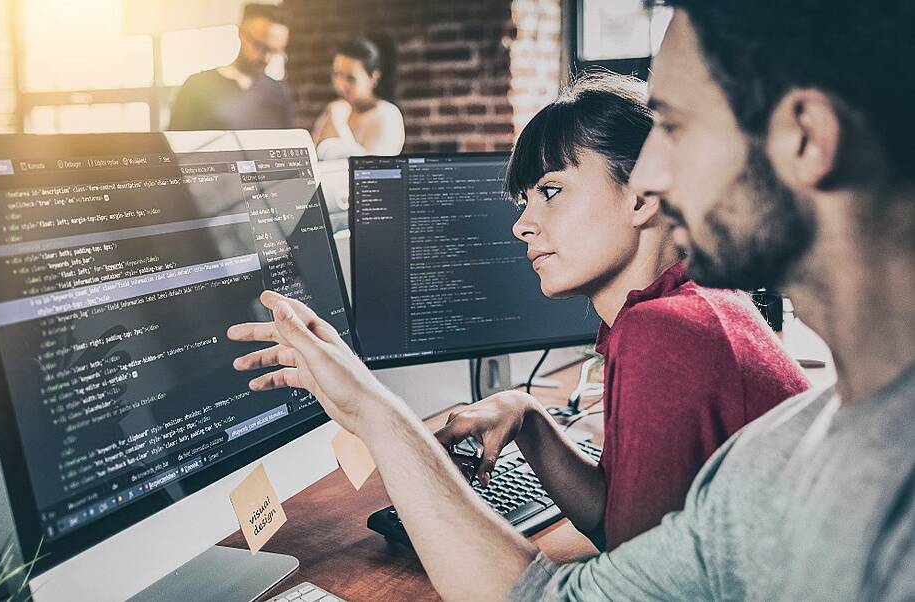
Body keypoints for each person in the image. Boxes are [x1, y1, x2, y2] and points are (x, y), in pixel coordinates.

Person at [226, 1, 915, 600]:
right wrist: (528, 416)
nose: (652, 172)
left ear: (806, 137)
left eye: (673, 126)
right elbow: (610, 559)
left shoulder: (673, 335)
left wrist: (377, 415)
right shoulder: (787, 444)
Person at [434, 71, 807, 552]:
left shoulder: (665, 331)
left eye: (550, 190)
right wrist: (527, 415)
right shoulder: (692, 302)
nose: (522, 226)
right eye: (523, 201)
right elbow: (617, 525)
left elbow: (629, 576)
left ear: (644, 194)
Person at [166, 4, 293, 131]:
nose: (266, 58)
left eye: (275, 51)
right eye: (260, 46)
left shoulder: (279, 93)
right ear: (241, 34)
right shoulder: (197, 86)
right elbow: (170, 146)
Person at [311, 35, 405, 157]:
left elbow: (372, 169)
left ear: (372, 78)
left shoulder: (387, 115)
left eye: (351, 78)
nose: (340, 85)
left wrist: (338, 123)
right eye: (337, 75)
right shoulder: (335, 109)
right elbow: (314, 158)